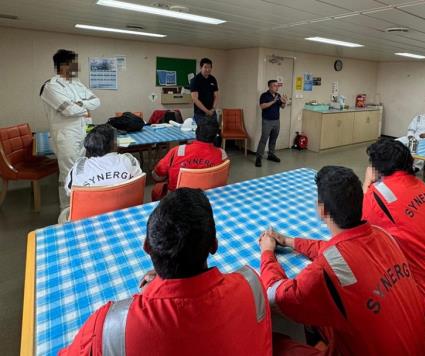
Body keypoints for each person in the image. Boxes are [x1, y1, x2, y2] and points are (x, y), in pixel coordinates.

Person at [60, 188, 272, 355]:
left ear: (147, 247)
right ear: (214, 245)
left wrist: (156, 294)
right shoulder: (252, 286)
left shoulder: (110, 327)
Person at [259, 166, 425, 356]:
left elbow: (277, 296)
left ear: (322, 210)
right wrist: (290, 241)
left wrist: (267, 252)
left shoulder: (326, 269)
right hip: (417, 346)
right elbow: (335, 250)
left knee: (275, 343)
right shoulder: (382, 235)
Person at [362, 138, 425, 316]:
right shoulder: (420, 185)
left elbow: (358, 225)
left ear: (376, 169)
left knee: (363, 266)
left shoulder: (377, 196)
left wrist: (367, 183)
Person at [40, 49, 100, 212]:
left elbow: (96, 101)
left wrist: (78, 104)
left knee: (82, 169)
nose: (78, 67)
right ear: (64, 65)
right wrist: (83, 106)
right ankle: (67, 209)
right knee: (68, 174)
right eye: (75, 62)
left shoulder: (76, 84)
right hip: (66, 136)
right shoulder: (50, 86)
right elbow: (68, 110)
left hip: (82, 133)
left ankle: (82, 205)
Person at [58, 124, 143, 223]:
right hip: (125, 215)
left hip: (90, 221)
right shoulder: (129, 160)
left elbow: (69, 192)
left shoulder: (79, 168)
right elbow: (139, 181)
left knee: (63, 214)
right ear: (114, 144)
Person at [151, 117, 227, 201]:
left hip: (177, 201)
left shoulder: (177, 151)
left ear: (196, 133)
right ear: (216, 136)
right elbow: (222, 181)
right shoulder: (222, 155)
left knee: (157, 188)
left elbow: (157, 176)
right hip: (209, 199)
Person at [255, 79, 287, 167]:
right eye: (275, 86)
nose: (277, 87)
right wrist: (274, 101)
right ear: (269, 86)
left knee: (273, 138)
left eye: (277, 86)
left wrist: (284, 102)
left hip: (276, 121)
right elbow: (262, 106)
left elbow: (282, 107)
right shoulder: (264, 95)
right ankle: (258, 158)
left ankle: (271, 155)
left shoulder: (278, 95)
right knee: (264, 139)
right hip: (267, 121)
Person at [190, 58, 219, 125]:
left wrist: (213, 109)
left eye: (209, 67)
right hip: (200, 114)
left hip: (212, 112)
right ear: (201, 67)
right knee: (202, 134)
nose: (208, 69)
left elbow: (216, 96)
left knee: (214, 133)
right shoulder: (195, 80)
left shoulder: (213, 79)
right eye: (205, 67)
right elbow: (195, 99)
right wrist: (207, 111)